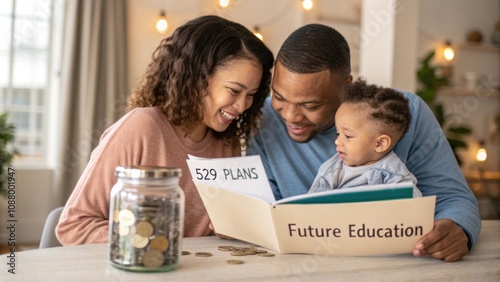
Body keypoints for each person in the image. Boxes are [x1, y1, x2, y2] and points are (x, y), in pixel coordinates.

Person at [247, 24, 480, 262]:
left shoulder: (404, 114)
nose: (290, 116)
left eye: (310, 105)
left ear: (345, 86)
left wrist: (458, 227)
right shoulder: (262, 120)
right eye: (279, 97)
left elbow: (454, 197)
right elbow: (264, 211)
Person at [56, 15, 274, 245]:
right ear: (197, 78)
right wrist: (150, 243)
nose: (242, 106)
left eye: (250, 95)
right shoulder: (142, 128)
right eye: (234, 90)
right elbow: (75, 225)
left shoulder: (228, 144)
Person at [309, 78, 421, 198]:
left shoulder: (394, 175)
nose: (337, 141)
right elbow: (313, 206)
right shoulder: (331, 171)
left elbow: (413, 207)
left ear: (380, 144)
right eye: (338, 133)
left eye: (348, 136)